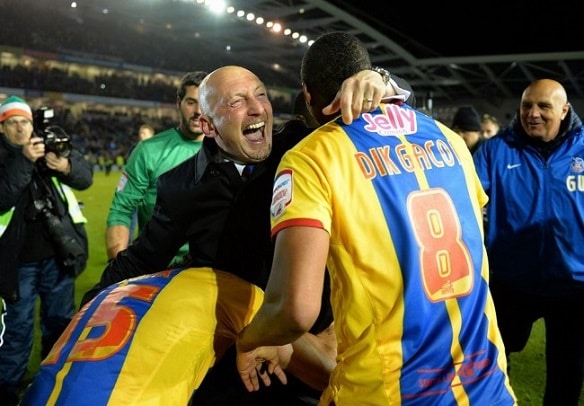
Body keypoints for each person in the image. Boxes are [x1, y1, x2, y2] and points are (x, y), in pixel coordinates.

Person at [23, 67, 401, 405]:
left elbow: (387, 126)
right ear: (207, 125)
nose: (257, 109)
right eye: (237, 101)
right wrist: (86, 314)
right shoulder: (181, 186)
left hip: (311, 346)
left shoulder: (302, 144)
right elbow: (143, 258)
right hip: (239, 357)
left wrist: (383, 81)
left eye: (261, 94)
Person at [235, 32, 516, 405]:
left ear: (307, 94)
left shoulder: (312, 157)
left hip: (390, 391)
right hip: (487, 386)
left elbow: (296, 310)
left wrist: (250, 339)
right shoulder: (450, 139)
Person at [473, 79, 584, 406]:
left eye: (543, 107)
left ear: (564, 110)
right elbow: (465, 197)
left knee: (568, 371)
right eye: (526, 106)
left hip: (574, 285)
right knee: (493, 359)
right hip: (512, 282)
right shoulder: (497, 149)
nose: (532, 114)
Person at [0, 96, 93, 405]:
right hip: (17, 263)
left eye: (24, 121)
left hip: (57, 256)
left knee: (60, 325)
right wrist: (25, 160)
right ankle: (7, 391)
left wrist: (64, 164)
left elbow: (85, 177)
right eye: (12, 122)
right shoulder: (5, 156)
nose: (20, 128)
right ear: (2, 128)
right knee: (17, 330)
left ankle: (51, 387)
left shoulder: (46, 145)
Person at [105, 71, 207, 267]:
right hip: (159, 268)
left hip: (212, 268)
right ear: (178, 103)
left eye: (204, 102)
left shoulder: (227, 148)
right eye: (191, 102)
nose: (198, 111)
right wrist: (119, 268)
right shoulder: (148, 151)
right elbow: (122, 210)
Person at [127, 123, 156, 243]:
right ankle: (126, 248)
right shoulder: (137, 149)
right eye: (140, 133)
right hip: (134, 192)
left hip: (148, 196)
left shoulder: (156, 151)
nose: (141, 135)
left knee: (148, 226)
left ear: (151, 134)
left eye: (144, 133)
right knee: (130, 223)